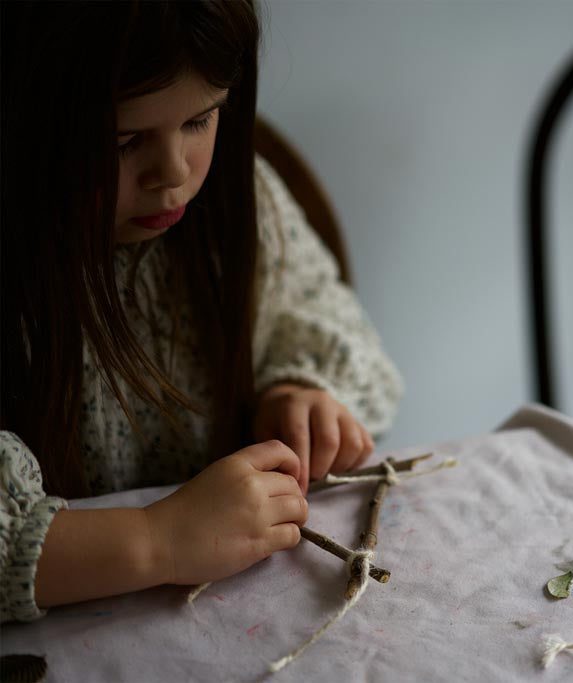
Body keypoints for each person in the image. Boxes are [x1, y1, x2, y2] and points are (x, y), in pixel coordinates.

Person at [0, 1, 403, 622]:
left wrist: (298, 387)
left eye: (200, 120)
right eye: (125, 141)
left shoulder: (241, 206)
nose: (173, 174)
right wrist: (158, 540)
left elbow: (328, 323)